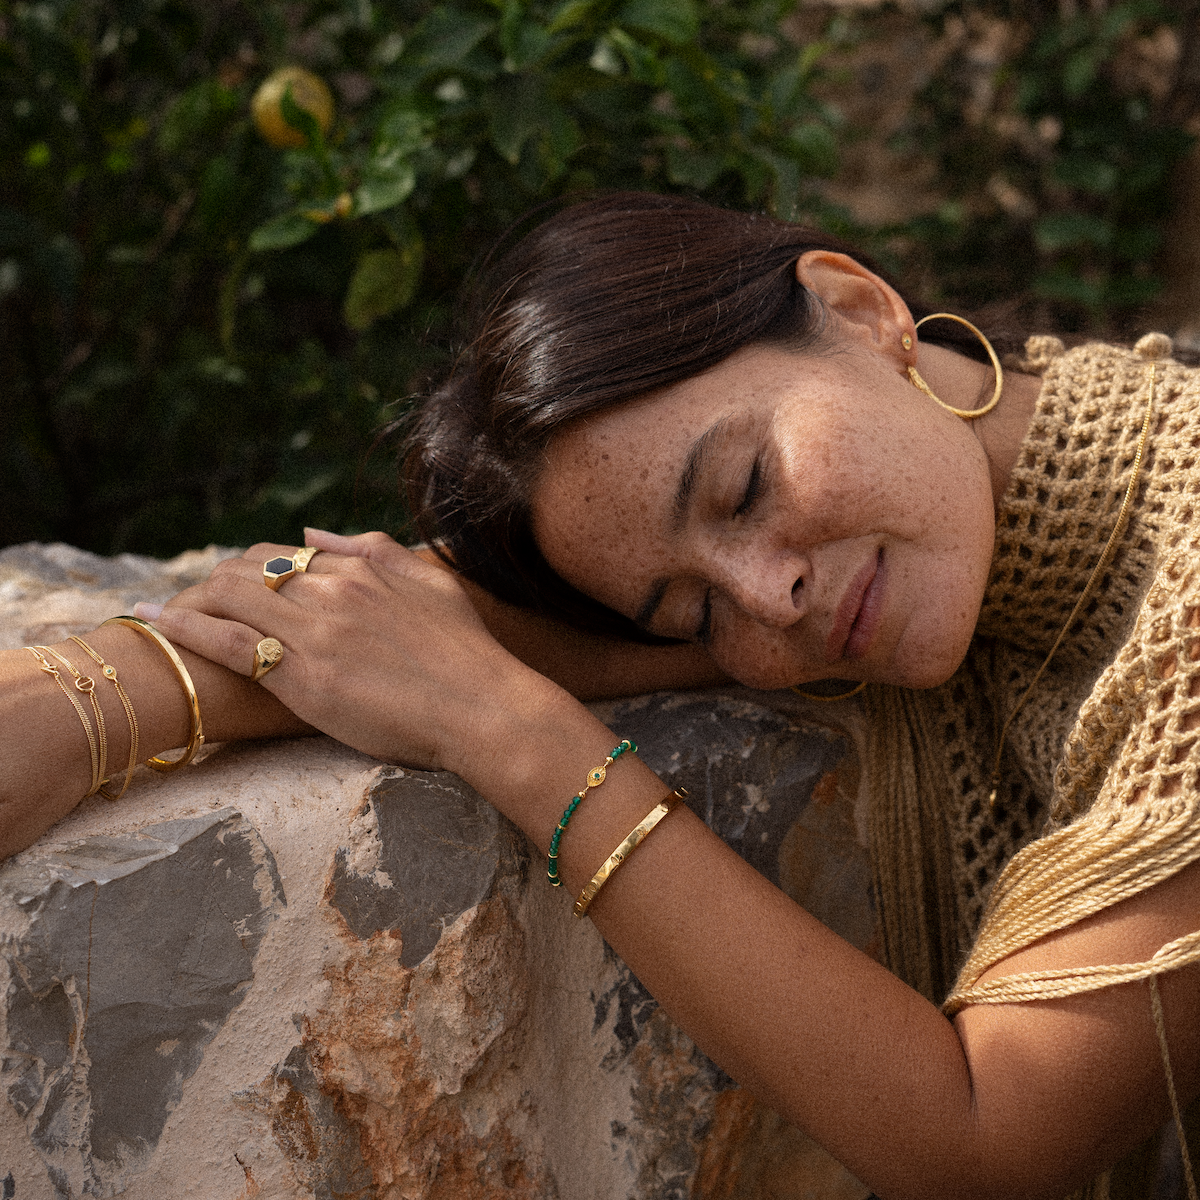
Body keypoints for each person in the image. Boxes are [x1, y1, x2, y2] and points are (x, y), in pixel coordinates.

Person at [3, 191, 1200, 1200]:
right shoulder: (983, 551)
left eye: (738, 485)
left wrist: (514, 736)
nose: (766, 597)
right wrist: (107, 699)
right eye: (689, 614)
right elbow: (422, 632)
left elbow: (986, 1130)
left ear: (855, 308)